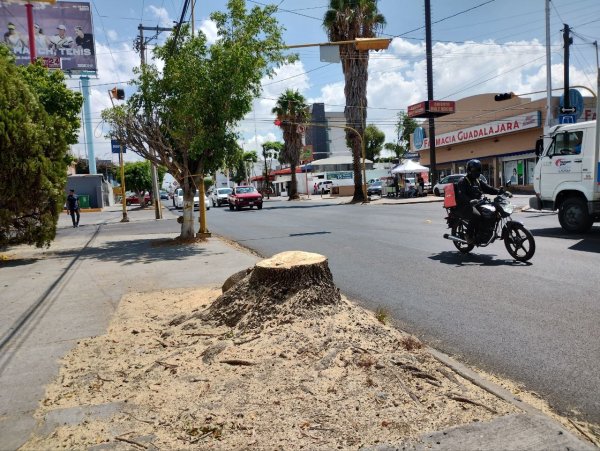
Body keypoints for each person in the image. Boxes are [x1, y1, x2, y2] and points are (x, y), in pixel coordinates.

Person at [455, 159, 504, 244]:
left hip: (478, 203)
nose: (477, 172)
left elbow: (488, 188)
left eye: (478, 169)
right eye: (474, 169)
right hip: (465, 205)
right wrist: (470, 200)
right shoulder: (463, 181)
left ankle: (485, 232)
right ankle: (468, 235)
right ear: (469, 170)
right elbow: (461, 195)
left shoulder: (478, 180)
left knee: (492, 211)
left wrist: (499, 191)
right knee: (476, 215)